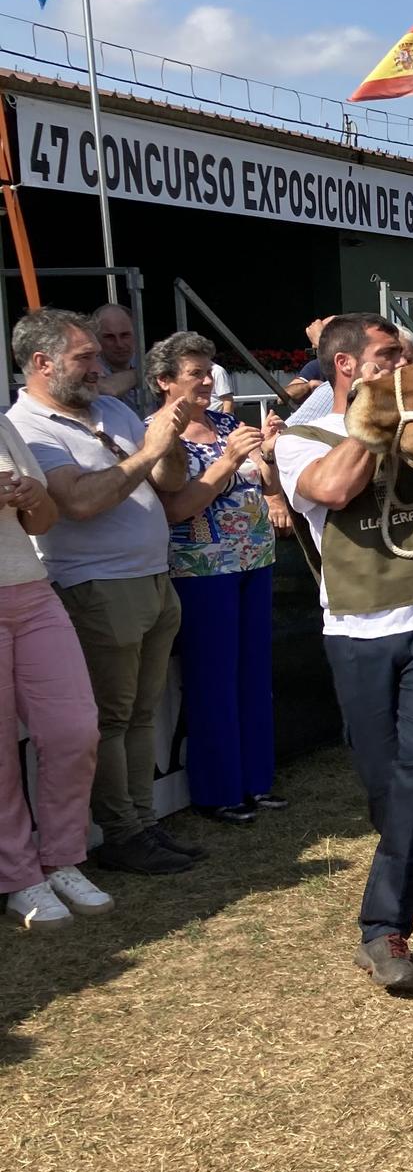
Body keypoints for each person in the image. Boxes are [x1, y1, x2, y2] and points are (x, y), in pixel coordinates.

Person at [274, 314, 413, 992]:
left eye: (406, 353)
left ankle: (380, 927)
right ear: (346, 368)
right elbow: (333, 490)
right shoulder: (302, 439)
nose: (406, 362)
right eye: (390, 355)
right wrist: (377, 417)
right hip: (358, 629)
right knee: (387, 786)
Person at [7, 310, 198, 875]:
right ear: (42, 364)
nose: (100, 367)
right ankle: (123, 833)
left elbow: (169, 482)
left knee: (141, 714)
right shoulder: (29, 428)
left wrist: (172, 441)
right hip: (96, 585)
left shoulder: (108, 407)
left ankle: (144, 822)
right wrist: (149, 448)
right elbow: (81, 502)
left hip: (151, 577)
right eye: (84, 358)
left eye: (96, 355)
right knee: (112, 720)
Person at [150, 331, 287, 826]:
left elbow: (268, 485)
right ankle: (218, 790)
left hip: (253, 560)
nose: (208, 381)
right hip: (201, 569)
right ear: (165, 381)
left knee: (253, 676)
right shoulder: (160, 434)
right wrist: (230, 459)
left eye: (210, 372)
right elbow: (176, 508)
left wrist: (266, 454)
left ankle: (256, 781)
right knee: (213, 680)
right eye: (195, 373)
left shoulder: (228, 421)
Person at [0, 413, 114, 928]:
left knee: (74, 729)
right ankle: (19, 876)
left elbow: (42, 521)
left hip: (30, 588)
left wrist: (31, 497)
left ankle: (60, 859)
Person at [91, 305, 150, 417]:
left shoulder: (143, 360)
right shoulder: (89, 365)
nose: (119, 344)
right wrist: (145, 371)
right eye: (109, 337)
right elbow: (108, 389)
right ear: (96, 338)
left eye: (125, 335)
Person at [282, 317, 333, 405]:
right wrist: (308, 386)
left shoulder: (358, 364)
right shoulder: (317, 365)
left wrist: (320, 342)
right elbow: (282, 396)